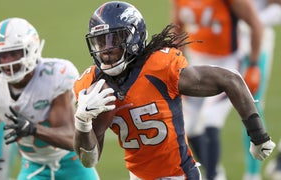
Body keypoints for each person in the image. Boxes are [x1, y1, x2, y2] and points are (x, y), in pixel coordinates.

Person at [72, 1, 275, 180]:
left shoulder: (160, 67)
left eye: (113, 41)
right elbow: (89, 160)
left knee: (206, 121)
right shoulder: (93, 86)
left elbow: (231, 79)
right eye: (100, 41)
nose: (105, 50)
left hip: (180, 175)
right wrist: (82, 122)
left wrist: (258, 134)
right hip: (138, 177)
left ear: (133, 38)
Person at [0, 17, 99, 180]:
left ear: (31, 50)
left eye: (14, 53)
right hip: (33, 166)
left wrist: (32, 129)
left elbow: (71, 139)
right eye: (2, 56)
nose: (7, 63)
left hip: (71, 162)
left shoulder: (54, 76)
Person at [172, 0, 264, 179]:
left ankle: (212, 175)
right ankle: (214, 171)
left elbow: (255, 23)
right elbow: (177, 28)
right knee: (186, 124)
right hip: (197, 66)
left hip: (227, 66)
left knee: (210, 119)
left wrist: (253, 64)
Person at [238, 1, 281, 180]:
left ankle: (253, 174)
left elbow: (277, 8)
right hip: (220, 40)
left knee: (251, 105)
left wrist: (252, 21)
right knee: (205, 115)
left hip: (254, 39)